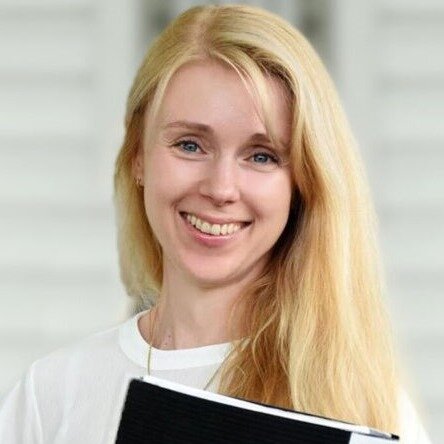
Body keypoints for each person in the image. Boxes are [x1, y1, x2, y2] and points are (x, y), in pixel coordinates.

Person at [0, 4, 432, 443]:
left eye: (261, 156)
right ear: (137, 155)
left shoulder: (366, 405)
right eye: (190, 145)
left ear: (302, 184)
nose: (221, 188)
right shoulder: (50, 397)